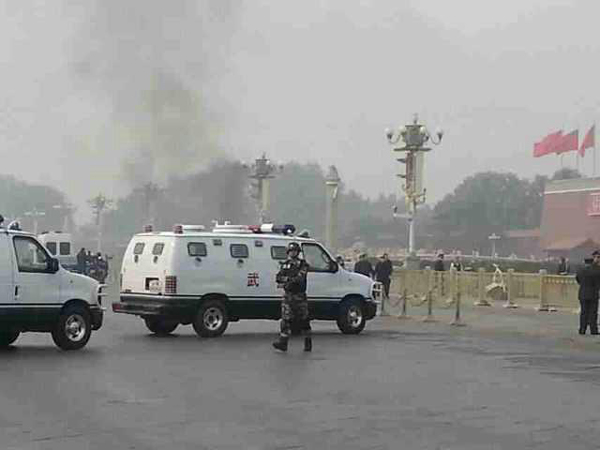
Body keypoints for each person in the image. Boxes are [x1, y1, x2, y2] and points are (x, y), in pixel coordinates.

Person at [273, 242, 312, 352]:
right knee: (286, 320)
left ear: (298, 252)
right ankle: (283, 343)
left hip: (299, 296)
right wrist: (287, 281)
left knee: (304, 320)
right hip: (288, 296)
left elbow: (300, 277)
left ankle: (308, 341)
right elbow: (279, 277)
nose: (292, 253)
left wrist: (289, 280)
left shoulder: (303, 264)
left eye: (294, 251)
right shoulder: (285, 264)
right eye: (291, 251)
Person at [575, 253, 600, 335]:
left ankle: (582, 329)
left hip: (582, 293)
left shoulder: (580, 270)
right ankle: (593, 330)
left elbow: (578, 280)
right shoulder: (596, 270)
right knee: (593, 313)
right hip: (593, 294)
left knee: (583, 312)